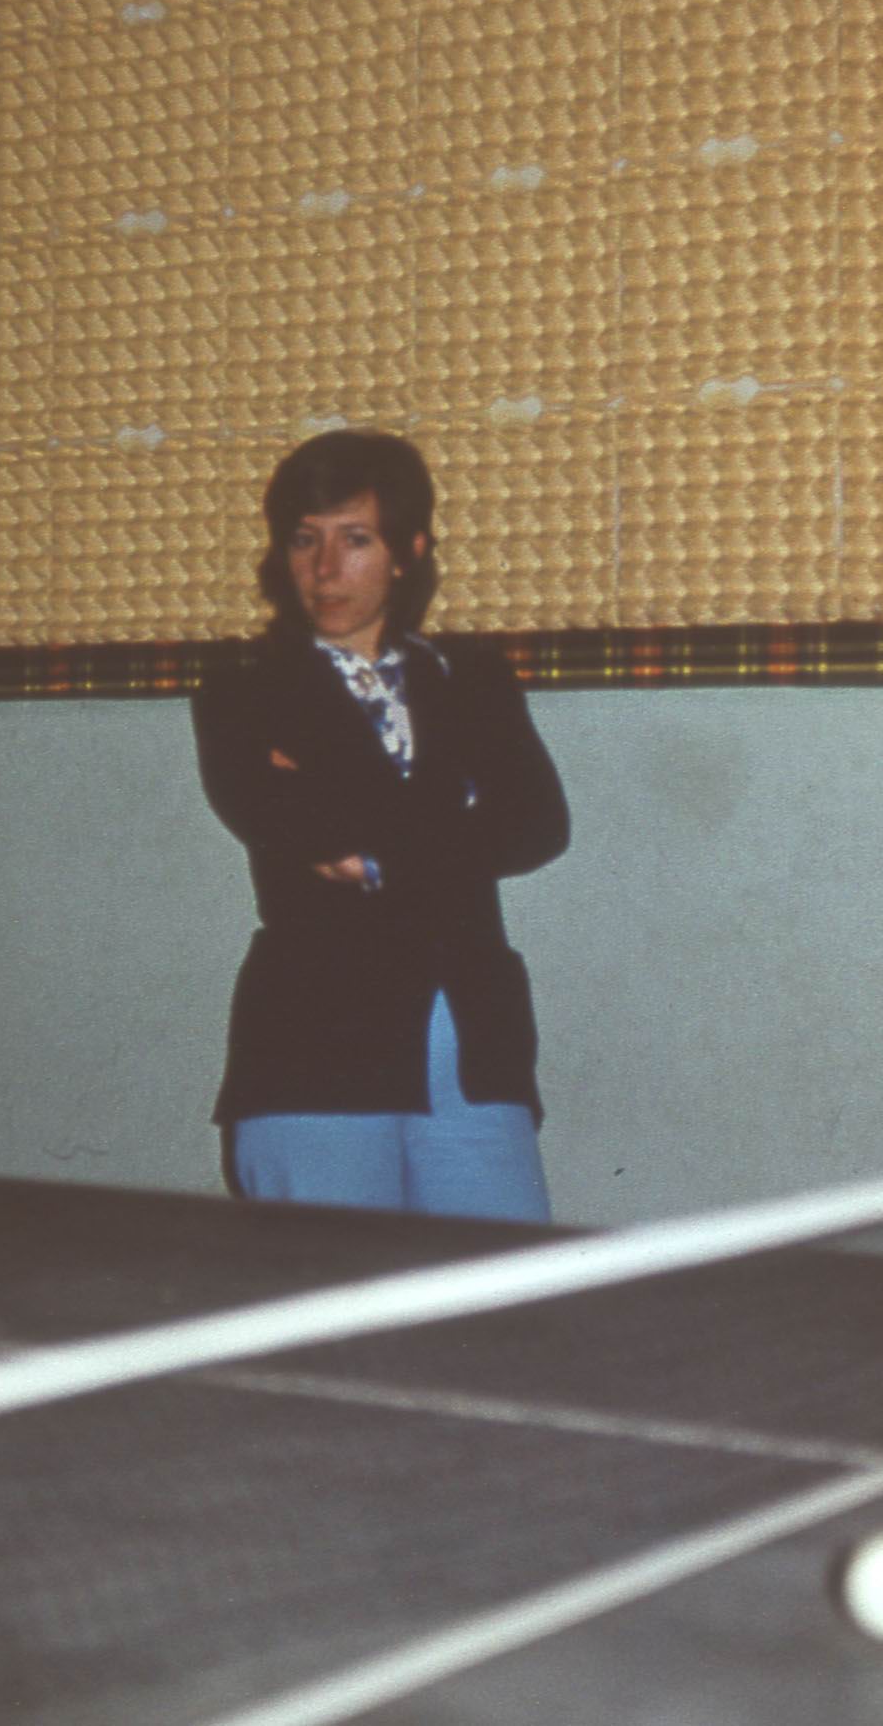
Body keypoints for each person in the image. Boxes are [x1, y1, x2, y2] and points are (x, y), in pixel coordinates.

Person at [192, 429, 570, 1222]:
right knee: (333, 1291)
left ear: (408, 550)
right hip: (313, 1047)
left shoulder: (471, 678)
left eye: (355, 539)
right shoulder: (240, 692)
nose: (325, 569)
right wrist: (455, 807)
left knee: (502, 1286)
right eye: (305, 540)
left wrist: (378, 846)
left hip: (471, 1043)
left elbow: (537, 825)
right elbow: (304, 830)